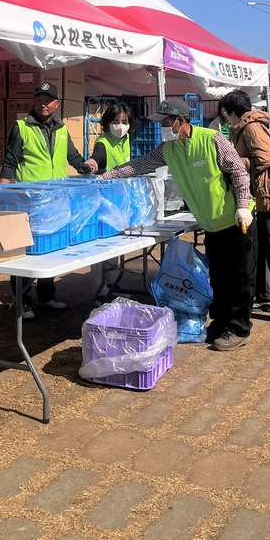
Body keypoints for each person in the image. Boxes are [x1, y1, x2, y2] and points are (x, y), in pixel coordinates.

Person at [103, 99, 256, 352]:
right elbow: (140, 165)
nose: (162, 127)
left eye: (165, 122)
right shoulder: (169, 149)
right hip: (211, 224)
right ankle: (219, 324)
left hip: (237, 220)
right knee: (218, 277)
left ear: (180, 121)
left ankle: (239, 328)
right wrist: (107, 175)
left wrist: (242, 205)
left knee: (239, 278)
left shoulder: (212, 139)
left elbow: (238, 171)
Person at [0, 82, 98, 318]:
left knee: (50, 248)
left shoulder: (62, 129)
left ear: (56, 104)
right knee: (23, 251)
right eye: (39, 99)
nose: (43, 104)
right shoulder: (21, 127)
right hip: (29, 200)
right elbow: (10, 159)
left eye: (48, 100)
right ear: (33, 102)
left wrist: (86, 168)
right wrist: (3, 192)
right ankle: (21, 300)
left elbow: (72, 156)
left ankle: (46, 296)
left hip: (56, 198)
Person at [219, 91, 270, 325]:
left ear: (230, 112)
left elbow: (263, 158)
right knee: (266, 249)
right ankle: (268, 296)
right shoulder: (246, 127)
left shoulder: (252, 128)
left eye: (224, 114)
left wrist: (233, 162)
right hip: (264, 195)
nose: (224, 120)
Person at [90, 103, 135, 173]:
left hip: (123, 181)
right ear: (108, 123)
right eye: (115, 122)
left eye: (124, 122)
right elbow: (97, 156)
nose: (120, 126)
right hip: (107, 182)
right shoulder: (102, 142)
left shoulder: (126, 137)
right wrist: (92, 162)